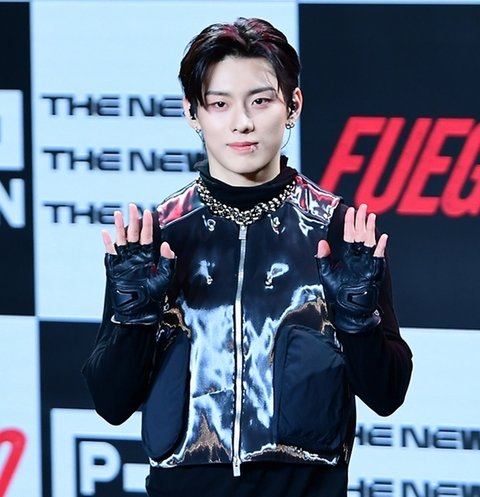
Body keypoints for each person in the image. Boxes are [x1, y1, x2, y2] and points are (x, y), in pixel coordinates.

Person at [82, 17, 412, 497]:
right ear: (192, 113)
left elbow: (387, 396)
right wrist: (133, 321)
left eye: (261, 101)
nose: (242, 122)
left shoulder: (338, 230)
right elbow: (111, 404)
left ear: (293, 105)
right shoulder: (157, 236)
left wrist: (359, 325)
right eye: (220, 104)